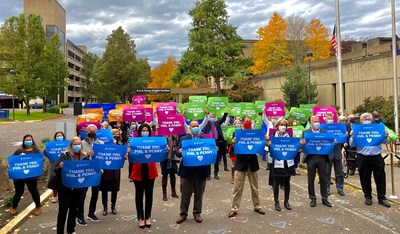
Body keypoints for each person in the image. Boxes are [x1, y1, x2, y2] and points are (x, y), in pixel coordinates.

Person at [349, 112, 391, 207]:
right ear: (361, 121)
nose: (367, 121)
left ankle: (382, 198)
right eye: (365, 119)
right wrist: (352, 136)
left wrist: (386, 135)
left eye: (368, 119)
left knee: (380, 177)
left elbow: (386, 142)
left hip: (376, 156)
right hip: (363, 156)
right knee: (365, 177)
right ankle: (367, 196)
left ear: (371, 120)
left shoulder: (377, 129)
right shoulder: (357, 130)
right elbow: (352, 144)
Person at [228, 116, 265, 218]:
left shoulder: (255, 134)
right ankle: (234, 208)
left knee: (255, 187)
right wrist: (234, 143)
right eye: (246, 121)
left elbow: (261, 145)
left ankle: (257, 206)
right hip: (241, 163)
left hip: (252, 163)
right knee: (237, 187)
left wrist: (265, 140)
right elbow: (234, 148)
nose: (248, 122)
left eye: (249, 121)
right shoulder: (237, 133)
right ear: (242, 122)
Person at [176, 120, 210, 224]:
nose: (195, 128)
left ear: (199, 128)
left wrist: (214, 150)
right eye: (193, 126)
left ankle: (197, 213)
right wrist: (179, 152)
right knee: (185, 194)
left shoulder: (206, 140)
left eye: (197, 126)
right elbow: (177, 154)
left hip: (201, 171)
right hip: (187, 171)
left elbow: (210, 154)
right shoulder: (184, 139)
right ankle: (183, 214)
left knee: (199, 194)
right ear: (190, 129)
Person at [55, 136, 88, 234]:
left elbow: (89, 169)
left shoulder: (84, 156)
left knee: (74, 210)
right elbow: (55, 169)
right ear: (71, 145)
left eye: (79, 144)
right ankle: (60, 231)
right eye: (75, 144)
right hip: (65, 188)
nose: (77, 145)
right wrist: (60, 167)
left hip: (78, 188)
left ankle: (71, 229)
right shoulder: (64, 155)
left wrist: (98, 171)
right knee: (63, 211)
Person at [130, 123, 158, 228]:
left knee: (149, 195)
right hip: (138, 171)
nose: (145, 132)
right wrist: (128, 152)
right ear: (140, 131)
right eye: (143, 130)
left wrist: (165, 149)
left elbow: (159, 152)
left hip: (150, 171)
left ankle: (148, 217)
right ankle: (141, 217)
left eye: (147, 131)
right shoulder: (134, 141)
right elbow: (130, 155)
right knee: (139, 195)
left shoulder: (153, 141)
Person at [301, 116, 332, 208]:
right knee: (311, 179)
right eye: (315, 121)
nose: (317, 123)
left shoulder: (324, 132)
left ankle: (325, 198)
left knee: (323, 178)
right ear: (311, 122)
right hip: (311, 158)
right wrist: (302, 144)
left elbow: (328, 145)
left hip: (322, 158)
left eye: (318, 121)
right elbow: (303, 146)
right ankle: (312, 198)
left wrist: (332, 143)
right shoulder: (306, 132)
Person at [77, 124, 104, 226]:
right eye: (89, 131)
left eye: (94, 131)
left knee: (95, 193)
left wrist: (101, 168)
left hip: (96, 172)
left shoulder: (100, 143)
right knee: (82, 194)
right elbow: (78, 158)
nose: (92, 133)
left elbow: (103, 158)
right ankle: (79, 216)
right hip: (85, 172)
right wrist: (87, 155)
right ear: (86, 132)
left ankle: (91, 213)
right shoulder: (81, 144)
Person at [266, 119, 296, 211]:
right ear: (277, 126)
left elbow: (293, 148)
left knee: (287, 182)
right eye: (281, 125)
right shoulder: (272, 137)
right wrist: (269, 144)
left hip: (288, 162)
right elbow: (269, 150)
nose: (283, 127)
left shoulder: (290, 136)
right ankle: (276, 202)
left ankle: (286, 201)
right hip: (277, 162)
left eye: (285, 125)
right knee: (276, 182)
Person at [9, 134, 42, 216]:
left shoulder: (36, 151)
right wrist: (10, 165)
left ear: (32, 141)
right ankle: (14, 207)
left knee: (34, 191)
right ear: (24, 141)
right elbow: (12, 161)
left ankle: (38, 207)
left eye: (30, 140)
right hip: (19, 176)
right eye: (27, 140)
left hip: (31, 176)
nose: (28, 141)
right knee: (19, 192)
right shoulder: (19, 151)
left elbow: (39, 160)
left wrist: (42, 160)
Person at [101, 129, 124, 216]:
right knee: (104, 189)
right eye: (113, 134)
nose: (115, 136)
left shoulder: (119, 144)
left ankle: (113, 206)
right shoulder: (103, 144)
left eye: (116, 134)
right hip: (105, 169)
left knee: (114, 188)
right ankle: (105, 207)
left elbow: (122, 154)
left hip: (115, 169)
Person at [203, 111, 228, 180]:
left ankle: (216, 174)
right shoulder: (206, 123)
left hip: (216, 142)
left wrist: (226, 112)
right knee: (208, 158)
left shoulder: (217, 123)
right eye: (211, 116)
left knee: (216, 158)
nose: (212, 117)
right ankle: (208, 175)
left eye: (213, 116)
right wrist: (207, 113)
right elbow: (205, 119)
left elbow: (223, 119)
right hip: (208, 142)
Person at [325, 113, 345, 196]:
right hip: (327, 153)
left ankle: (340, 188)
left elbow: (343, 138)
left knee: (339, 172)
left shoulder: (338, 128)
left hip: (337, 152)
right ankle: (327, 189)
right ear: (325, 119)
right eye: (328, 118)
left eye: (331, 118)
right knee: (326, 172)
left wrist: (345, 136)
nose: (330, 119)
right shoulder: (323, 128)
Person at [43, 131, 66, 203]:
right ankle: (55, 196)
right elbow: (46, 155)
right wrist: (44, 150)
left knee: (64, 181)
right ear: (55, 138)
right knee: (55, 181)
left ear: (63, 136)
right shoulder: (51, 146)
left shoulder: (67, 144)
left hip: (64, 165)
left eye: (60, 136)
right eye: (58, 136)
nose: (59, 137)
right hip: (54, 166)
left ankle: (64, 195)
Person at [161, 135, 180, 201]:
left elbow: (178, 142)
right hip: (164, 156)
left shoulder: (175, 135)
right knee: (164, 175)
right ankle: (164, 194)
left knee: (173, 174)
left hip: (173, 155)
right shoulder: (162, 134)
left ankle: (173, 192)